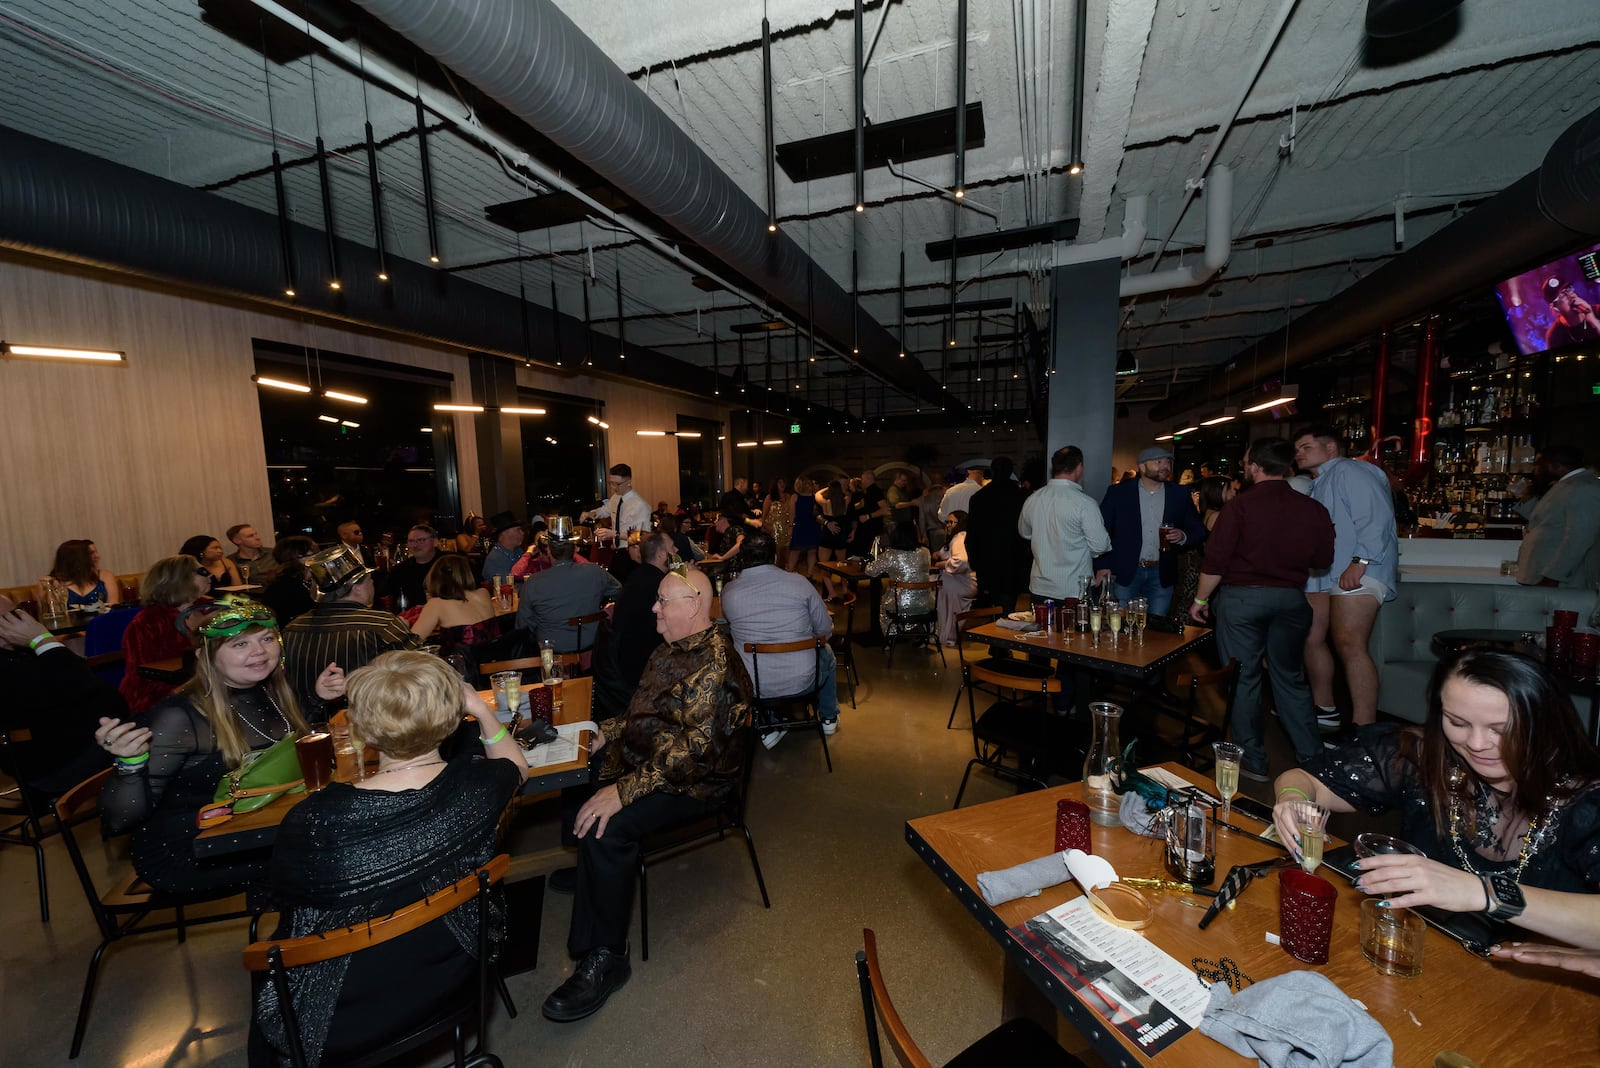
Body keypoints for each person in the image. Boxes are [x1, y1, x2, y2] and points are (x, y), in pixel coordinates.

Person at [251, 652, 526, 1067]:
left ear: (359, 728)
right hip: (455, 980)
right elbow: (517, 765)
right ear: (453, 718)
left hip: (338, 1019)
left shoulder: (311, 822)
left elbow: (289, 913)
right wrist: (482, 712)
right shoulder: (478, 788)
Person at [1272, 649, 1600, 949]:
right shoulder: (1426, 755)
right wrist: (1292, 801)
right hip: (1430, 954)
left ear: (1543, 724)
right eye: (1457, 723)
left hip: (1543, 991)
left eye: (1501, 729)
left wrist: (1482, 893)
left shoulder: (1586, 800)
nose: (1476, 743)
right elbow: (1307, 780)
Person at [541, 565, 751, 1023]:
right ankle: (596, 875)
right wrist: (602, 733)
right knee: (577, 768)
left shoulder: (716, 665)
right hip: (656, 763)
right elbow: (641, 716)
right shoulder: (668, 649)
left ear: (694, 605)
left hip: (698, 785)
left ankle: (608, 957)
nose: (653, 608)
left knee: (608, 825)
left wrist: (623, 791)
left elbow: (692, 757)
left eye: (663, 600)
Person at [96, 596, 337, 893]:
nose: (259, 652)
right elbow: (120, 820)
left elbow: (277, 750)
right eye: (240, 644)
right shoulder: (179, 716)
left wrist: (315, 700)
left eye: (266, 638)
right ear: (205, 656)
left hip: (250, 823)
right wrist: (129, 764)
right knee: (325, 851)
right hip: (190, 847)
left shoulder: (268, 690)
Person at [1190, 438, 1335, 778]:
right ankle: (1314, 760)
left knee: (1244, 679)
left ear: (1254, 466)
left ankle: (1253, 761)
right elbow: (1323, 560)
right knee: (1291, 678)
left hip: (1242, 600)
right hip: (1290, 600)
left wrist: (1200, 601)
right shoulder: (1312, 509)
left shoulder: (1239, 508)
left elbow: (1216, 562)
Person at [1294, 425, 1400, 733]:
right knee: (1312, 637)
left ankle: (1364, 728)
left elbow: (1375, 516)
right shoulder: (1319, 482)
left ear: (1330, 449)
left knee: (1350, 643)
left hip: (1360, 568)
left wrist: (1361, 560)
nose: (1298, 453)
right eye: (1297, 449)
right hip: (1327, 572)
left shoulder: (1351, 470)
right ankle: (1324, 709)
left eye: (1306, 446)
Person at [722, 530, 841, 744]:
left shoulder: (729, 592)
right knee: (827, 653)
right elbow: (824, 630)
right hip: (804, 681)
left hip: (755, 685)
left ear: (742, 558)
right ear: (775, 557)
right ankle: (829, 717)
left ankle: (767, 721)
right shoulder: (800, 583)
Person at [282, 544, 418, 716]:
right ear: (357, 587)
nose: (373, 583)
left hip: (308, 727)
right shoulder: (382, 625)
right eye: (370, 579)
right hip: (373, 725)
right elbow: (420, 675)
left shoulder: (291, 629)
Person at [0, 595, 116, 796]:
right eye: (9, 617)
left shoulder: (24, 655)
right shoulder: (11, 666)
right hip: (54, 768)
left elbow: (103, 696)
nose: (20, 621)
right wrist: (42, 640)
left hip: (78, 746)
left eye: (17, 613)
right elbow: (99, 694)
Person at [1093, 445, 1207, 618]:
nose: (1165, 466)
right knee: (1120, 623)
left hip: (1161, 572)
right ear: (1141, 466)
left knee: (1156, 627)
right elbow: (1101, 531)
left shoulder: (1179, 494)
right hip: (1125, 572)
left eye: (1168, 462)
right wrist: (1102, 565)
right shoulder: (1119, 493)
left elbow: (1198, 529)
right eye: (1158, 462)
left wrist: (1183, 536)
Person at [1018, 446, 1112, 604]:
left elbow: (1024, 533)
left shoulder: (1033, 499)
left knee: (1043, 629)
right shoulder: (1085, 503)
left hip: (1040, 587)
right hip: (1074, 590)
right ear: (1079, 468)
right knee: (1073, 629)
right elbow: (1100, 546)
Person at [120, 555, 210, 714]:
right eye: (202, 571)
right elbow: (147, 676)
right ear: (181, 578)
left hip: (202, 686)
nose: (209, 575)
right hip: (159, 697)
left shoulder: (207, 608)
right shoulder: (148, 622)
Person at [594, 533, 672, 714]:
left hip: (624, 663)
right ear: (661, 555)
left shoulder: (637, 576)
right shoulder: (658, 584)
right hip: (641, 672)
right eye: (672, 548)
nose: (676, 551)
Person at [1511, 444, 1600, 590]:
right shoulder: (1568, 485)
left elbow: (1579, 538)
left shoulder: (1584, 488)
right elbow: (1546, 520)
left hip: (1563, 582)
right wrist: (1526, 497)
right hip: (1545, 577)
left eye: (1538, 464)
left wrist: (1552, 577)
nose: (1534, 469)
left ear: (1555, 466)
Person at [516, 533, 621, 654]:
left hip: (550, 652)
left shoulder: (533, 583)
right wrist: (606, 610)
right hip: (593, 649)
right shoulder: (595, 572)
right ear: (575, 550)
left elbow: (523, 625)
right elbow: (620, 593)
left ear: (549, 550)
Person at [965, 456, 1030, 614]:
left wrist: (975, 561)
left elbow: (972, 534)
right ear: (1010, 472)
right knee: (1009, 605)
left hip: (988, 560)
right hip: (1014, 560)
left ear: (992, 471)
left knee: (992, 605)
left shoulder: (979, 498)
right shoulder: (1021, 497)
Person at [864, 520, 934, 638]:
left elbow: (870, 571)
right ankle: (924, 636)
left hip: (900, 604)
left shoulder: (891, 555)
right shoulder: (925, 552)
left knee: (884, 607)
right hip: (926, 603)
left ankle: (890, 639)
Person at [409, 554, 495, 642]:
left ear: (436, 577)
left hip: (461, 655)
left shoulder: (436, 604)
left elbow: (413, 642)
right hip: (495, 654)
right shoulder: (484, 593)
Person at [934, 511, 977, 647]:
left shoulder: (959, 536)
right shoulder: (963, 537)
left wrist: (942, 564)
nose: (947, 525)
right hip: (964, 581)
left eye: (951, 522)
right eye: (946, 522)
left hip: (963, 583)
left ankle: (944, 634)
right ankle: (943, 632)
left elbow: (962, 561)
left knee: (935, 586)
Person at [582, 463, 651, 546]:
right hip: (617, 549)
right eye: (611, 483)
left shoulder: (640, 505)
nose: (613, 487)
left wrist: (614, 534)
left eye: (617, 484)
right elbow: (605, 510)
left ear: (629, 481)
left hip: (632, 551)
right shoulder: (616, 498)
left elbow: (642, 536)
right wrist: (591, 513)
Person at [256, 536, 317, 627]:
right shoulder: (285, 585)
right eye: (311, 554)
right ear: (296, 558)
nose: (316, 557)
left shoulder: (304, 580)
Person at [50, 539, 122, 608]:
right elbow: (53, 611)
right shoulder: (51, 583)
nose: (97, 556)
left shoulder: (105, 576)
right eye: (90, 553)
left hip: (102, 619)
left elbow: (113, 606)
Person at [814, 475, 852, 599]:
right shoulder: (846, 500)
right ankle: (845, 589)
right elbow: (847, 492)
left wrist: (830, 487)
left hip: (828, 535)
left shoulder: (825, 503)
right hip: (840, 534)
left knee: (824, 565)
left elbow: (817, 494)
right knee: (842, 565)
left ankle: (832, 592)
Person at [390, 523, 445, 609]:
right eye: (411, 541)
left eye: (421, 540)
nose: (415, 545)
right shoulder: (401, 569)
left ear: (435, 542)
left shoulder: (450, 563)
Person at [1543, 278, 1600, 351]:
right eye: (1562, 295)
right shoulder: (1555, 336)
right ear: (1555, 308)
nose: (1571, 295)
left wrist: (1594, 321)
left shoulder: (1597, 311)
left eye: (1569, 289)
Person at [848, 469, 889, 557]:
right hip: (866, 529)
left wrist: (868, 516)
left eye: (862, 479)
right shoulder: (866, 492)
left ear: (867, 479)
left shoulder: (875, 491)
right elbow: (863, 505)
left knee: (869, 554)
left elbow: (885, 509)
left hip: (872, 529)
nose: (861, 481)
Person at [787, 476, 821, 579]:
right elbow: (792, 513)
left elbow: (792, 514)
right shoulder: (811, 497)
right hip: (807, 526)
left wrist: (790, 527)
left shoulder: (798, 497)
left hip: (805, 526)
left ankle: (796, 572)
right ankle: (805, 573)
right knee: (805, 550)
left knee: (801, 551)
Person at [480, 512, 526, 584]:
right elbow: (509, 585)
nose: (522, 533)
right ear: (505, 532)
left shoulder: (518, 551)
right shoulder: (494, 560)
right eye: (518, 530)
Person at [762, 476, 796, 564]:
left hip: (786, 529)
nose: (782, 484)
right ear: (775, 484)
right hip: (774, 530)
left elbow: (792, 512)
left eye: (783, 482)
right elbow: (764, 516)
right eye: (780, 482)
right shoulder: (770, 497)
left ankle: (788, 573)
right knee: (776, 556)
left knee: (788, 556)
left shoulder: (789, 496)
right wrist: (767, 528)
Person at [885, 470, 923, 535]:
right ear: (897, 479)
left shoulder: (901, 491)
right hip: (895, 525)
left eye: (906, 481)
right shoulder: (893, 490)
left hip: (900, 524)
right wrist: (912, 503)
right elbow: (896, 505)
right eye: (903, 481)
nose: (905, 483)